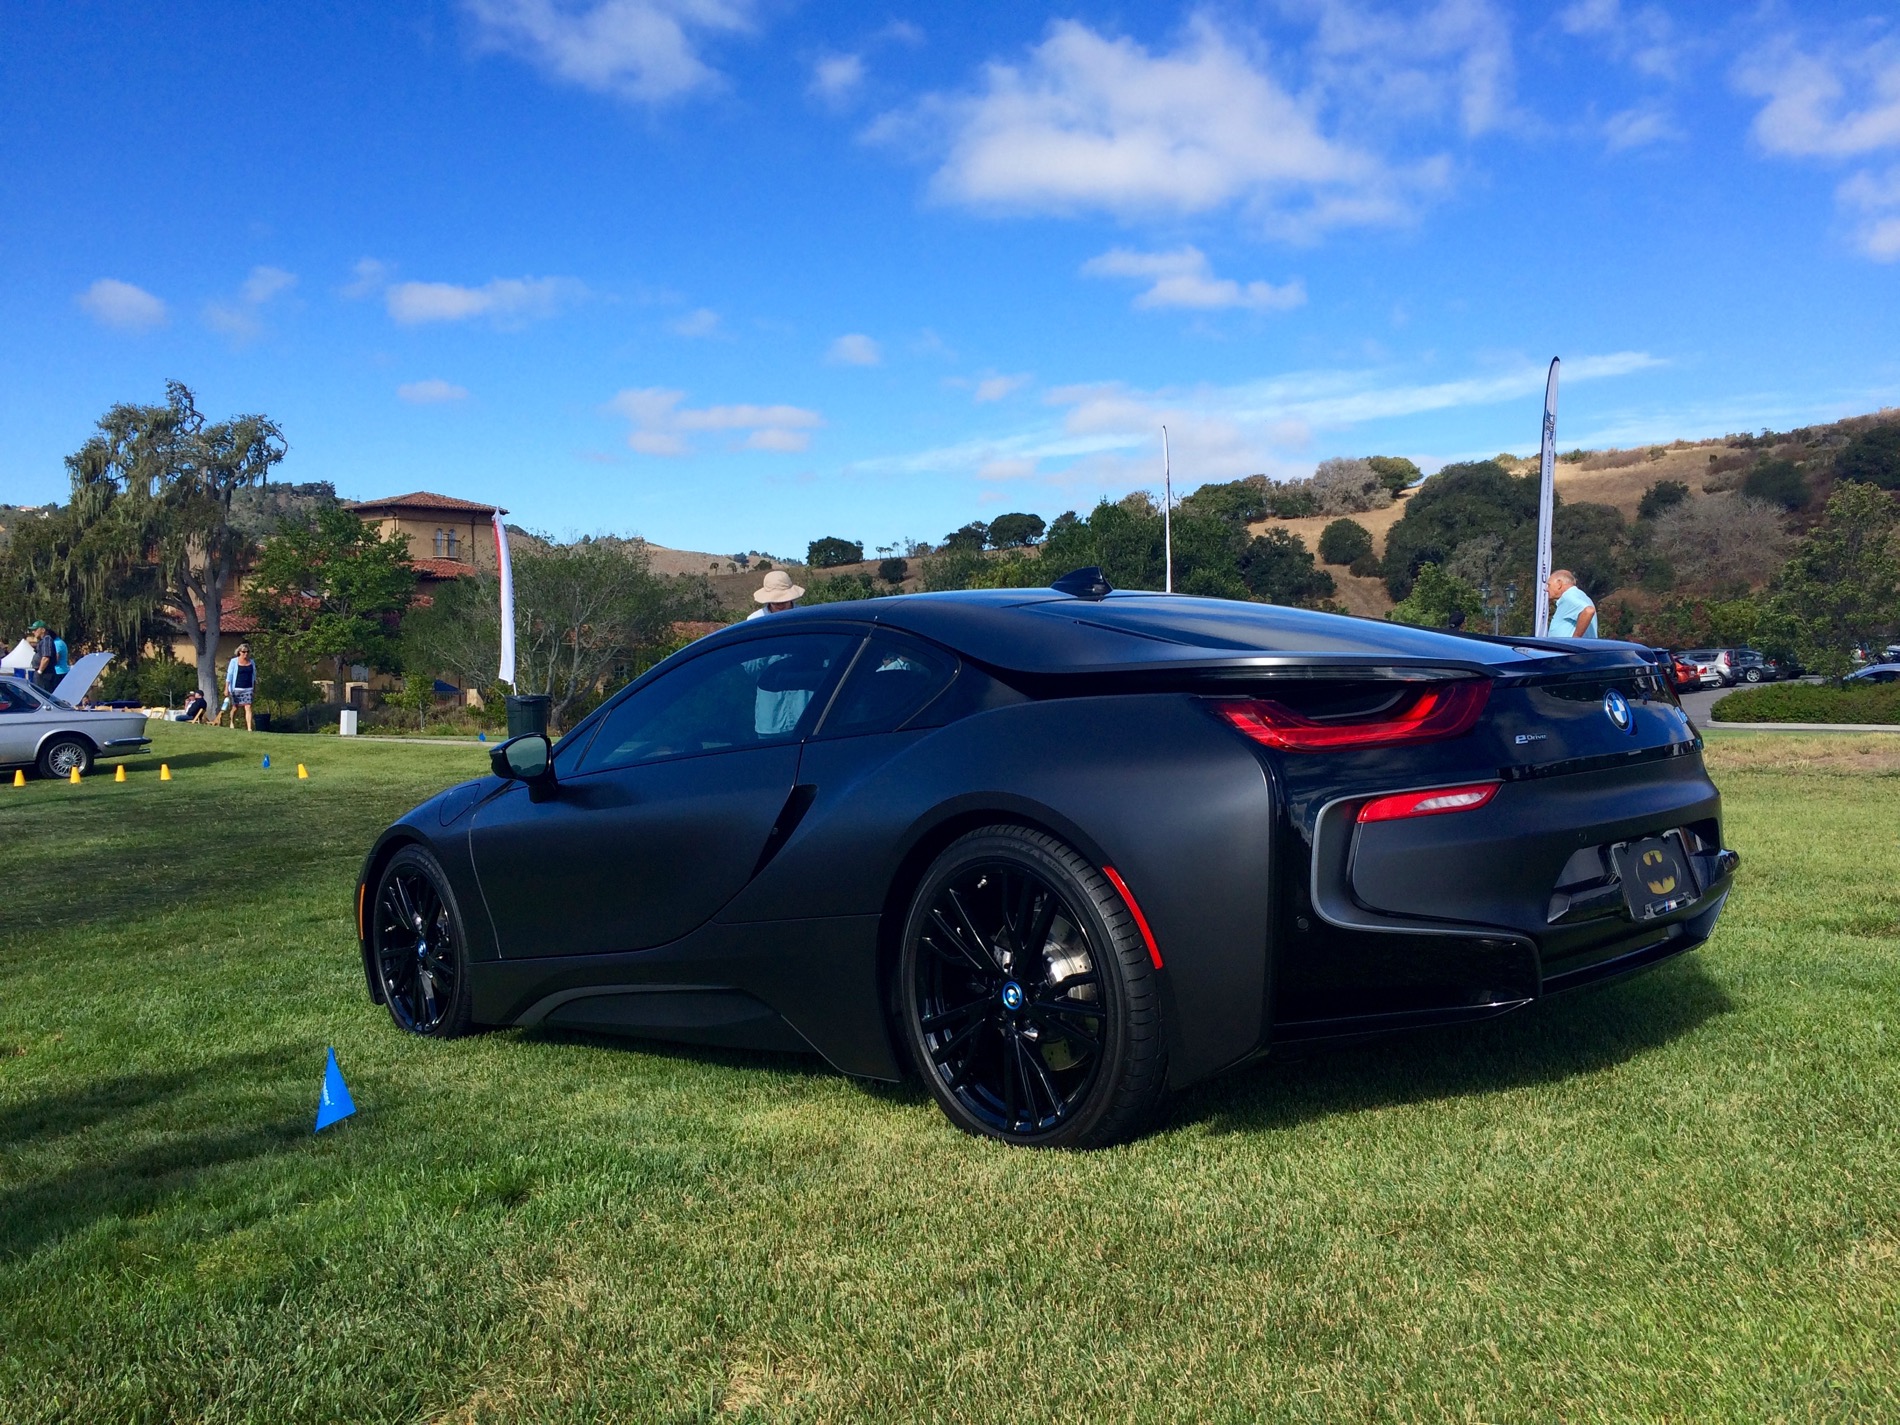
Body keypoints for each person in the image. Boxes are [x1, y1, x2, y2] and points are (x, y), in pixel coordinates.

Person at [1546, 569, 1597, 638]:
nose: (1547, 589)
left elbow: (1589, 611)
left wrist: (1575, 639)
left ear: (1559, 584)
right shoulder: (1583, 597)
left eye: (1549, 585)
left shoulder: (1568, 596)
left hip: (1570, 645)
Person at [224, 643, 258, 731]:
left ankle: (249, 728)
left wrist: (255, 687)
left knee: (248, 707)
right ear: (239, 652)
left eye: (247, 652)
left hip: (248, 688)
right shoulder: (234, 662)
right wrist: (226, 688)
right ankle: (232, 722)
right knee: (235, 707)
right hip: (236, 688)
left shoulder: (251, 662)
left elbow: (254, 676)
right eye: (243, 652)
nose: (245, 654)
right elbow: (229, 676)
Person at [26, 621, 59, 694]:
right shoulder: (42, 641)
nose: (33, 632)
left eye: (35, 630)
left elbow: (46, 658)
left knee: (43, 695)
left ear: (43, 630)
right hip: (42, 674)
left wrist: (39, 671)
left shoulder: (47, 640)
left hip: (45, 674)